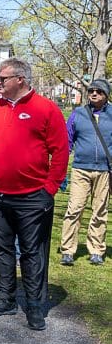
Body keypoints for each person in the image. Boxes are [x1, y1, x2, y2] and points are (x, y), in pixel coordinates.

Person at [0, 58, 68, 331]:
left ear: (20, 80)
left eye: (2, 79)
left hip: (31, 197)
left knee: (31, 252)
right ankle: (5, 298)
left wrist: (49, 188)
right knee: (1, 249)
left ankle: (35, 306)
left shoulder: (45, 109)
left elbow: (60, 152)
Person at [59, 79, 112, 266]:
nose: (94, 94)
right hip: (80, 168)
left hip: (104, 171)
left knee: (100, 211)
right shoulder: (78, 114)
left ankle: (96, 250)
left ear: (106, 95)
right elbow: (67, 141)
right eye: (91, 90)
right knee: (74, 209)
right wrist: (61, 168)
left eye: (99, 91)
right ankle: (67, 250)